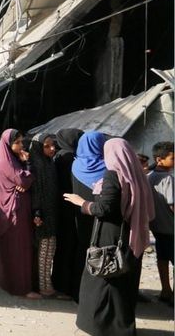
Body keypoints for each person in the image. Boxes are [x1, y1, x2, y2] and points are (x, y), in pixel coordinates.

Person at [64, 138, 154, 336]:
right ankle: (121, 327)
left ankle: (101, 326)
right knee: (122, 282)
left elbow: (105, 208)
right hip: (131, 233)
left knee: (104, 277)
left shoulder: (113, 174)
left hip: (111, 235)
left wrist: (82, 203)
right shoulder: (137, 174)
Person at [0, 129, 40, 298]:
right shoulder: (6, 162)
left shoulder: (10, 159)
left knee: (13, 249)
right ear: (7, 144)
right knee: (19, 249)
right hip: (13, 212)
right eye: (17, 142)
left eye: (21, 142)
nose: (21, 146)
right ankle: (21, 288)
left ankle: (10, 284)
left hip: (13, 210)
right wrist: (27, 166)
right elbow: (23, 181)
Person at [71, 131, 108, 299]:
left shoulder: (75, 165)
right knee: (100, 251)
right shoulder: (108, 167)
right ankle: (96, 290)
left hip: (80, 213)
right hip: (100, 215)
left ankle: (79, 289)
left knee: (82, 248)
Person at [50, 128, 83, 300]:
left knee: (63, 247)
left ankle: (59, 283)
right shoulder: (70, 158)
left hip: (61, 206)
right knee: (70, 246)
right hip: (71, 206)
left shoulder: (59, 156)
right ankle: (66, 286)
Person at [29, 133, 61, 298]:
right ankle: (43, 286)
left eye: (53, 145)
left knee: (50, 249)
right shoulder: (36, 164)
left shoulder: (48, 163)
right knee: (44, 250)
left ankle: (47, 284)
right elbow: (36, 192)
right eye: (47, 146)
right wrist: (37, 212)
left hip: (51, 212)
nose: (52, 149)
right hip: (42, 214)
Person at [147, 140, 174, 305]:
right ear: (159, 159)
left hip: (157, 226)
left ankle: (165, 290)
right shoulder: (168, 179)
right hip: (172, 227)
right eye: (172, 158)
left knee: (162, 258)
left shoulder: (149, 176)